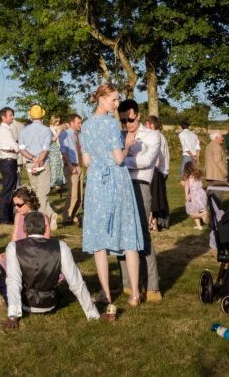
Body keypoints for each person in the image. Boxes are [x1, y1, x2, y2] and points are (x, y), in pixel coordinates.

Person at [80, 83, 143, 306]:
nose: (117, 104)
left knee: (99, 239)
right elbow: (118, 159)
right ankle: (134, 294)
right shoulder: (111, 124)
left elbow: (86, 161)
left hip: (96, 182)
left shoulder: (85, 125)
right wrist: (127, 145)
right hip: (116, 180)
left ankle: (105, 293)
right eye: (114, 99)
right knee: (128, 233)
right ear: (101, 99)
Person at [1, 212, 101, 328]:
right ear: (45, 228)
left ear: (23, 229)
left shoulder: (13, 247)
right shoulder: (61, 246)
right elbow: (77, 283)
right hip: (50, 304)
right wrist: (93, 314)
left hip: (26, 305)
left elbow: (14, 282)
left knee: (3, 280)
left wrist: (13, 316)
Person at [116, 99, 161, 303]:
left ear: (139, 115)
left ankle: (152, 286)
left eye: (131, 120)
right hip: (120, 185)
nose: (127, 124)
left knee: (143, 233)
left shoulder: (152, 135)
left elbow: (146, 161)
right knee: (121, 234)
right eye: (123, 121)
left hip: (140, 185)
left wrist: (122, 159)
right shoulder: (119, 135)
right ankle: (126, 284)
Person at [19, 104, 57, 230]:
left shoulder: (24, 131)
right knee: (42, 193)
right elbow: (45, 149)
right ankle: (46, 219)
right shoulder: (46, 130)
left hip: (31, 163)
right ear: (42, 116)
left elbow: (21, 149)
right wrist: (39, 161)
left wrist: (33, 159)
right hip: (43, 163)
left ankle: (48, 216)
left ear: (31, 117)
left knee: (37, 193)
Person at [0, 107, 21, 224]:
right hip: (8, 162)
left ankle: (8, 216)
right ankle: (4, 218)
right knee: (7, 191)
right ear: (3, 117)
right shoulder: (4, 130)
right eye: (10, 115)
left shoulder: (6, 129)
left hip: (9, 162)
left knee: (10, 190)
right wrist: (17, 146)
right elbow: (13, 147)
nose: (13, 117)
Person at [144, 115, 170, 231]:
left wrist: (154, 169)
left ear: (152, 125)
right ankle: (159, 222)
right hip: (162, 169)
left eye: (146, 124)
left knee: (157, 197)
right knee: (159, 196)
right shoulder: (160, 135)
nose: (145, 127)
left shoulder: (156, 136)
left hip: (159, 170)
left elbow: (157, 154)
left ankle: (161, 222)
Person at [59, 114, 84, 226]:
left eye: (80, 123)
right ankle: (66, 217)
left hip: (79, 166)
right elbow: (63, 151)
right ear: (71, 123)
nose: (80, 125)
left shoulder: (79, 135)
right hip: (71, 166)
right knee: (73, 194)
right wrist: (69, 165)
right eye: (78, 123)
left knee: (80, 195)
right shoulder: (65, 134)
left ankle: (74, 215)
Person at [182, 161, 207, 229]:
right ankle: (199, 226)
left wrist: (186, 195)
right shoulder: (197, 175)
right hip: (201, 193)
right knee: (198, 210)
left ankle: (203, 215)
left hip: (194, 195)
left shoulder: (188, 177)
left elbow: (187, 186)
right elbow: (194, 184)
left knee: (192, 213)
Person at [48, 116, 66, 189]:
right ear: (53, 121)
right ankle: (53, 183)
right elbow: (53, 139)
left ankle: (60, 183)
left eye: (58, 121)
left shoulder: (60, 129)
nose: (58, 123)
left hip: (60, 149)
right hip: (53, 151)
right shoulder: (49, 130)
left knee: (60, 166)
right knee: (54, 167)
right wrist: (58, 132)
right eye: (56, 121)